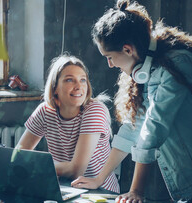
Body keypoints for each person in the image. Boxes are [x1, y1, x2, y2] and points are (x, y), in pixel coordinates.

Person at [71, 0, 192, 203]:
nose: (110, 64)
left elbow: (153, 128)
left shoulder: (178, 65)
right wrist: (99, 179)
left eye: (110, 57)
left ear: (127, 49)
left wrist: (136, 190)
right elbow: (134, 127)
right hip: (191, 188)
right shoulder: (149, 71)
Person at [16, 54, 120, 193]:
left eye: (83, 80)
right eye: (69, 80)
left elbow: (76, 170)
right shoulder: (45, 111)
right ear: (55, 88)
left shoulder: (95, 110)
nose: (78, 86)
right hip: (65, 189)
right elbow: (19, 156)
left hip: (100, 193)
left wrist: (35, 165)